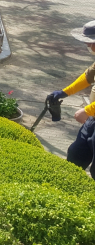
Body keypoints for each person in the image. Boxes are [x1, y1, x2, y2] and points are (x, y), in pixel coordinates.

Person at [49, 20, 95, 179]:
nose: (89, 47)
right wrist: (64, 93)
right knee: (76, 155)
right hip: (92, 122)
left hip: (92, 115)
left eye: (91, 43)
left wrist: (88, 110)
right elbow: (87, 77)